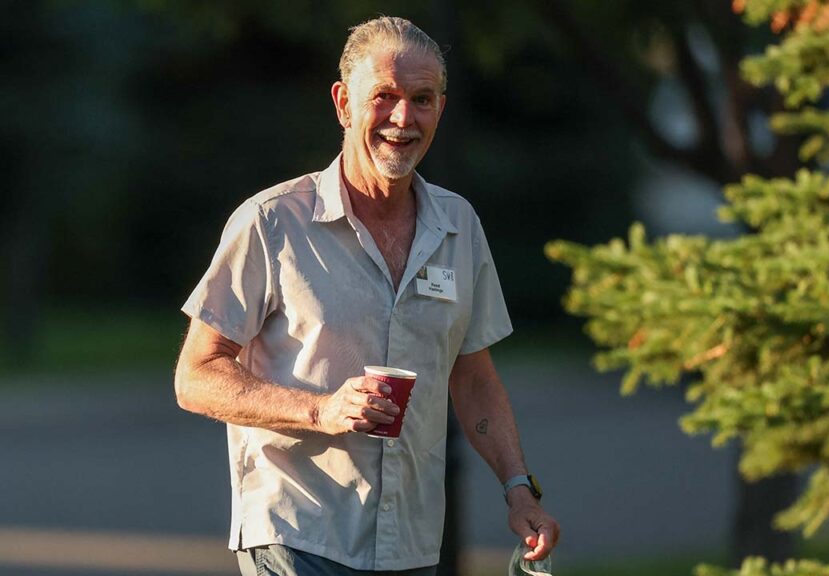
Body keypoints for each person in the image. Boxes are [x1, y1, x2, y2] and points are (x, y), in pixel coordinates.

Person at [174, 15, 560, 576]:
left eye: (422, 99)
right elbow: (196, 375)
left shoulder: (459, 225)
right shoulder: (271, 222)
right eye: (384, 97)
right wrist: (320, 409)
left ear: (440, 110)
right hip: (297, 534)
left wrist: (520, 490)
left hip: (410, 542)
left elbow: (473, 376)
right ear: (343, 104)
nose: (403, 118)